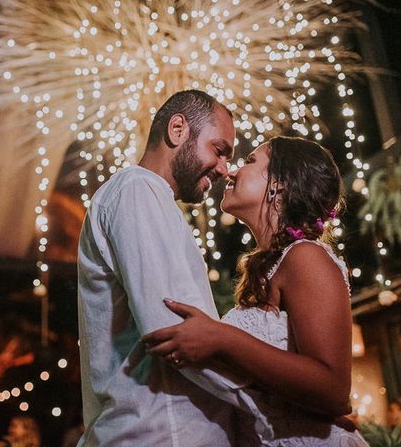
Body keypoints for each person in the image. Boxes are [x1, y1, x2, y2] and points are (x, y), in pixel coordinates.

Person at [143, 136, 368, 445]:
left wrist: (222, 339)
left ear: (282, 184)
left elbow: (333, 390)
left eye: (249, 162)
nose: (230, 172)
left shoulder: (306, 256)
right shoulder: (277, 265)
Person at [77, 90, 244, 446]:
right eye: (219, 150)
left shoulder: (147, 197)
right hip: (162, 432)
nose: (224, 169)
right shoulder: (136, 189)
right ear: (178, 129)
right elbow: (176, 333)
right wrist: (275, 400)